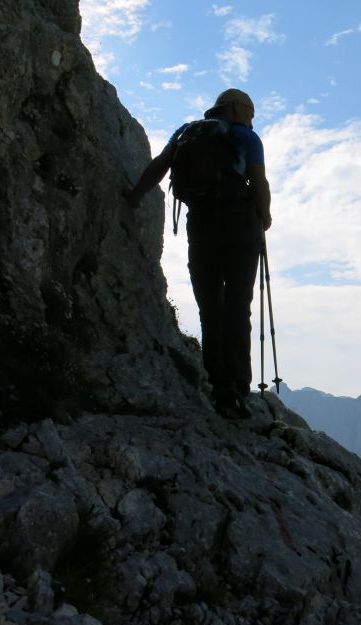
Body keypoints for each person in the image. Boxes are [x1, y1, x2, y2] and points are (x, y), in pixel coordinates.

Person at [124, 88, 272, 419]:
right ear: (234, 108)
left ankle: (219, 386)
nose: (251, 118)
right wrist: (265, 217)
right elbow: (258, 183)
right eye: (249, 112)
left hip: (202, 227)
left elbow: (159, 167)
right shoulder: (245, 137)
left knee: (210, 306)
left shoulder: (187, 134)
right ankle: (236, 389)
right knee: (237, 307)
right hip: (241, 226)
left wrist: (134, 196)